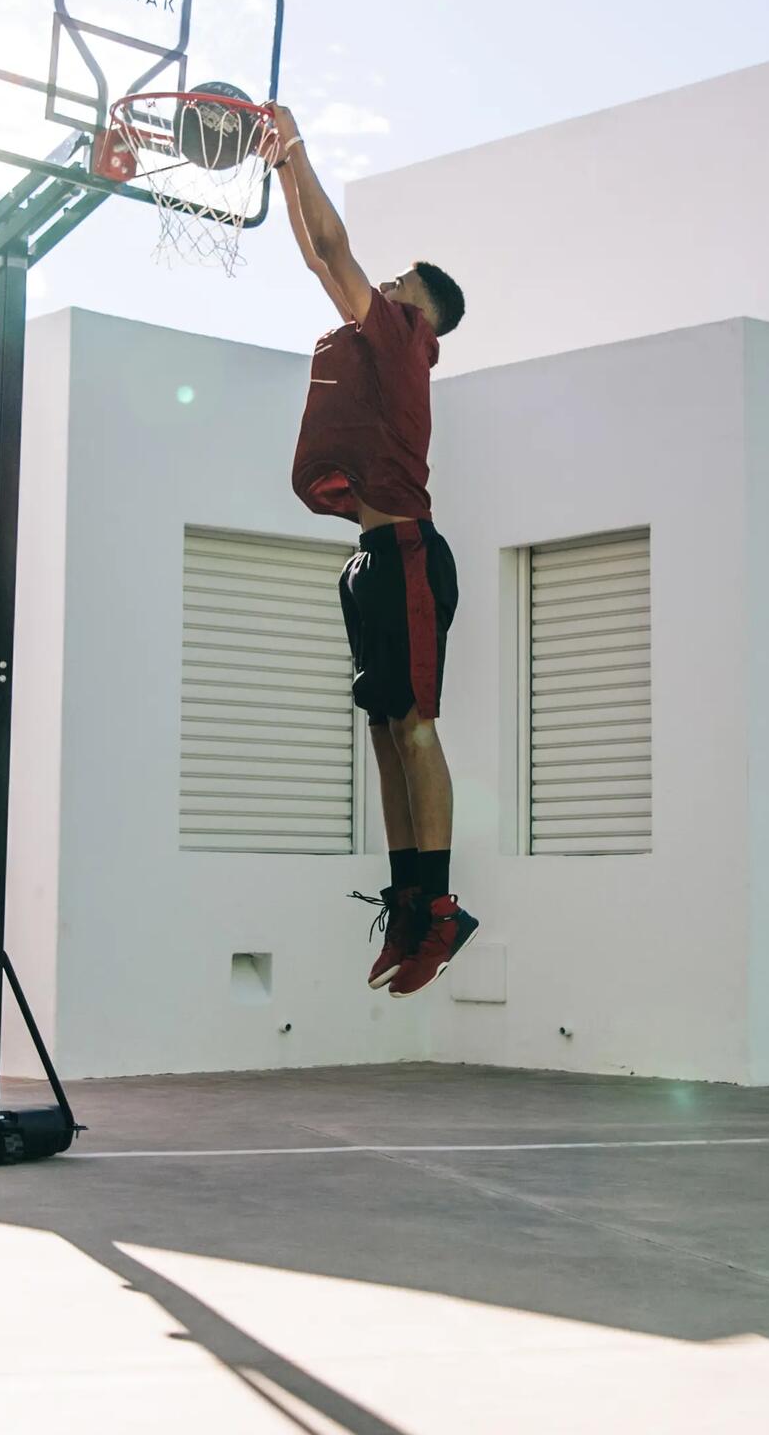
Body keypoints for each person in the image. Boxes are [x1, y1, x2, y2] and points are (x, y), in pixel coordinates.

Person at [265, 102, 476, 997]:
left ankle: (440, 909)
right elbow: (318, 254)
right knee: (388, 739)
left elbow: (332, 252)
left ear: (425, 313)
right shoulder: (385, 338)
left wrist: (300, 146)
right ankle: (406, 897)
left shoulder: (403, 342)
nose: (383, 286)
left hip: (412, 559)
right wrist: (279, 168)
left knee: (418, 730)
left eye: (401, 283)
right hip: (371, 562)